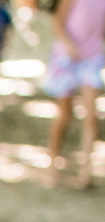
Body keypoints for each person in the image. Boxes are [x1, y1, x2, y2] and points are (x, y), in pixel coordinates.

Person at [44, 0, 105, 187]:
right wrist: (69, 45)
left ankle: (85, 170)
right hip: (66, 57)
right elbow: (57, 22)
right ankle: (53, 163)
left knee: (91, 116)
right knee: (65, 115)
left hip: (92, 58)